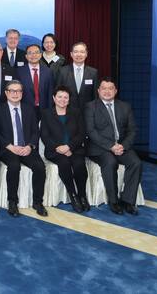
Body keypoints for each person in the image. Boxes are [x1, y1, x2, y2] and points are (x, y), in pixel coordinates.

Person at [84, 78, 143, 215]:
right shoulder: (90, 106)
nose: (107, 91)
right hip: (100, 147)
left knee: (136, 163)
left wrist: (123, 145)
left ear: (115, 91)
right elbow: (91, 131)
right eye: (103, 88)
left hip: (122, 146)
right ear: (98, 90)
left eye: (110, 88)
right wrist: (111, 146)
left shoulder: (125, 106)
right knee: (110, 163)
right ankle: (114, 200)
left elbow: (132, 130)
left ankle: (127, 201)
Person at [0, 80, 47, 217]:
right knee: (14, 165)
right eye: (12, 90)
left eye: (18, 91)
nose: (15, 93)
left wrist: (29, 146)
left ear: (22, 93)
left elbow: (35, 131)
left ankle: (38, 202)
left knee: (40, 166)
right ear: (6, 93)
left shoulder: (29, 109)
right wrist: (10, 146)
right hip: (8, 149)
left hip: (26, 148)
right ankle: (12, 202)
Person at [40, 85, 89, 213]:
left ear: (69, 99)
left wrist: (69, 146)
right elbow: (45, 136)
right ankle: (73, 195)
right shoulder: (46, 114)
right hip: (55, 151)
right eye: (59, 96)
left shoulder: (76, 112)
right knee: (64, 163)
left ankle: (82, 195)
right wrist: (59, 148)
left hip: (74, 148)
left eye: (65, 97)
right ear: (54, 98)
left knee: (79, 164)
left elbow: (81, 133)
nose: (62, 99)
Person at [55, 42, 99, 110]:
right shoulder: (62, 72)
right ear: (71, 54)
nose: (79, 55)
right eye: (76, 52)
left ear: (86, 54)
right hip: (67, 110)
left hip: (87, 111)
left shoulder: (93, 72)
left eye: (82, 52)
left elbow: (95, 95)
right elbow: (57, 93)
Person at [17, 44, 53, 120]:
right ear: (26, 56)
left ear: (40, 55)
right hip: (25, 109)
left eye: (36, 53)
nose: (33, 55)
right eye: (30, 53)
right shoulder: (19, 72)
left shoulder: (48, 72)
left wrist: (50, 110)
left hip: (44, 109)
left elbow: (50, 93)